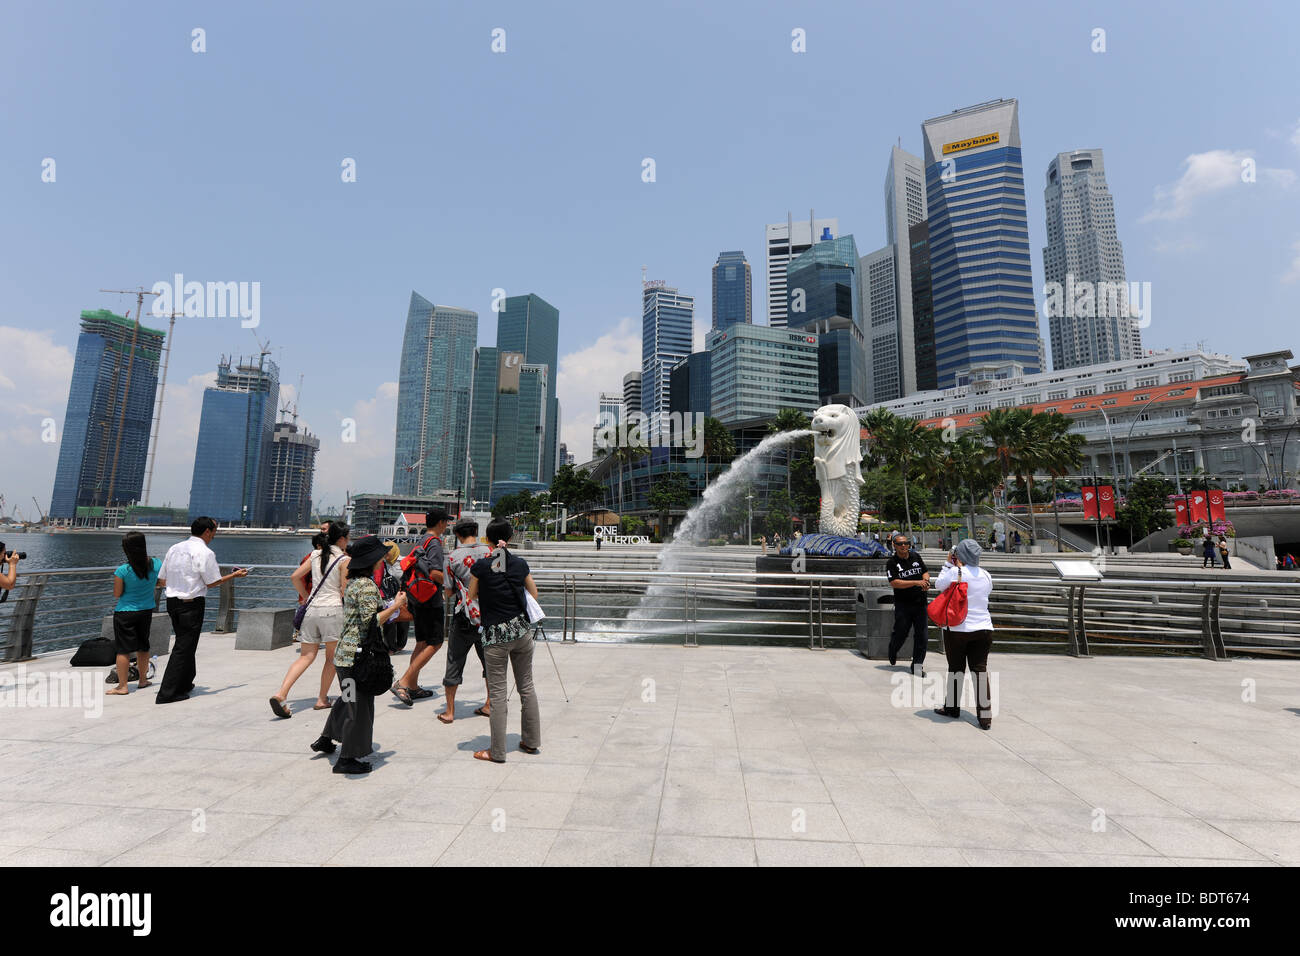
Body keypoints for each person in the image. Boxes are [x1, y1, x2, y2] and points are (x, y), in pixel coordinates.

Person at [312, 535, 407, 775]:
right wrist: (395, 607)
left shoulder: (354, 582)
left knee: (347, 699)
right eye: (381, 554)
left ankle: (326, 738)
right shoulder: (366, 585)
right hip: (358, 658)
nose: (384, 557)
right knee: (358, 708)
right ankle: (348, 757)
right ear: (372, 560)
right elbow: (370, 621)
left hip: (346, 656)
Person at [468, 519, 540, 763]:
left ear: (487, 539)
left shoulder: (482, 566)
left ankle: (497, 752)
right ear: (509, 538)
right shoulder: (519, 563)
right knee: (527, 687)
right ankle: (531, 742)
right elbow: (534, 592)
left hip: (495, 636)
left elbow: (471, 594)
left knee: (498, 694)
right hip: (521, 632)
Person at [156, 517, 248, 704]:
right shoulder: (205, 552)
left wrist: (180, 584)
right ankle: (167, 693)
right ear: (207, 531)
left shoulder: (175, 548)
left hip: (173, 601)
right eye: (215, 530)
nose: (215, 534)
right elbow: (212, 582)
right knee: (183, 647)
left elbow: (162, 579)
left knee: (186, 643)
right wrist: (235, 574)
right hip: (191, 603)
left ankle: (185, 683)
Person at [271, 521, 350, 717]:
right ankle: (322, 699)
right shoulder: (343, 559)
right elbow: (345, 591)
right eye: (348, 538)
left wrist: (306, 597)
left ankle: (281, 693)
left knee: (305, 656)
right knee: (331, 659)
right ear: (341, 539)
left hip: (311, 611)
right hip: (332, 611)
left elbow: (295, 577)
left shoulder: (315, 555)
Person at [933, 539, 995, 729]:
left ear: (959, 555)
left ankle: (951, 708)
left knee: (956, 668)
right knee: (980, 671)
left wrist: (947, 563)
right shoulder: (986, 575)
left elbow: (938, 585)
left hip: (958, 629)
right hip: (984, 629)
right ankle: (985, 718)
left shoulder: (955, 572)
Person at [392, 509, 450, 705]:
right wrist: (454, 583)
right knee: (436, 642)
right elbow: (435, 573)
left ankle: (413, 687)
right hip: (430, 599)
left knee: (422, 642)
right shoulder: (434, 543)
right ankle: (404, 682)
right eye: (446, 522)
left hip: (417, 596)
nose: (447, 525)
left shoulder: (422, 539)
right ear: (441, 523)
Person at [439, 518, 491, 724]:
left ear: (458, 535)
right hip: (489, 615)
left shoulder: (453, 558)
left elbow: (450, 591)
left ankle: (450, 711)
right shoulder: (491, 553)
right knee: (489, 662)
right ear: (476, 531)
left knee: (454, 660)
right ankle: (489, 704)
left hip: (464, 615)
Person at [107, 532, 162, 696]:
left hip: (125, 612)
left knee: (123, 650)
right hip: (146, 611)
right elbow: (162, 581)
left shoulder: (122, 570)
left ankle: (122, 686)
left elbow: (117, 594)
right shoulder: (156, 564)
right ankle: (143, 680)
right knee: (143, 646)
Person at [885, 534, 931, 677]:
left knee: (922, 637)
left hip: (920, 604)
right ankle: (893, 649)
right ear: (894, 545)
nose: (904, 546)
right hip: (903, 604)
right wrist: (916, 583)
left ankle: (917, 666)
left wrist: (926, 582)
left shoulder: (916, 556)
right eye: (900, 544)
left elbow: (925, 572)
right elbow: (894, 583)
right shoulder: (892, 562)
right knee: (901, 632)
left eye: (906, 543)